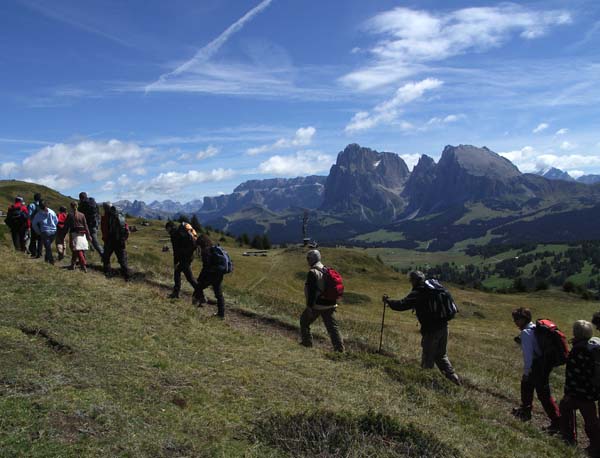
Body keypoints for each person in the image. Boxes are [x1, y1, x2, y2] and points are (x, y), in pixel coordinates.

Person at [382, 271, 459, 385]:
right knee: (441, 355)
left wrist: (388, 302)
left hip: (431, 330)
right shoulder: (433, 287)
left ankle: (425, 384)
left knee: (428, 357)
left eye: (411, 280)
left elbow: (403, 304)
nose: (410, 282)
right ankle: (454, 380)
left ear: (414, 281)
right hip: (444, 326)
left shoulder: (419, 292)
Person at [511, 307, 561, 433]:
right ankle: (525, 410)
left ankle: (557, 422)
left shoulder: (526, 333)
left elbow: (528, 356)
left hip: (537, 365)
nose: (515, 322)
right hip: (543, 362)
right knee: (527, 386)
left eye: (517, 319)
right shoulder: (535, 328)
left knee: (542, 393)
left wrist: (527, 372)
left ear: (523, 319)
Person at [559, 320, 600, 456]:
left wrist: (569, 392)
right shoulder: (593, 347)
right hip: (591, 391)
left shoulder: (578, 350)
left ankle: (569, 437)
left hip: (578, 392)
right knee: (591, 420)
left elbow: (574, 374)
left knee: (565, 408)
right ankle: (595, 444)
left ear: (576, 332)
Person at [299, 249, 345, 352]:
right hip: (330, 303)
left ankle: (307, 343)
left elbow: (311, 293)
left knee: (304, 321)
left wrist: (309, 307)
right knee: (333, 328)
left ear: (312, 259)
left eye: (308, 258)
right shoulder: (326, 270)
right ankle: (339, 350)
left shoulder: (312, 272)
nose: (307, 260)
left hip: (317, 305)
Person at [192, 234, 225, 318]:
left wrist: (200, 278)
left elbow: (206, 267)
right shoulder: (213, 248)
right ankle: (221, 315)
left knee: (198, 287)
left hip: (212, 274)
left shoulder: (205, 251)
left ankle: (195, 305)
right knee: (219, 294)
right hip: (219, 273)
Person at [165, 220, 198, 299]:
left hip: (184, 258)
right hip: (189, 256)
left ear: (169, 228)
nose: (167, 231)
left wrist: (175, 262)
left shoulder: (174, 235)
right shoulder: (180, 232)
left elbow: (176, 250)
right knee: (186, 276)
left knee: (187, 276)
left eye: (167, 229)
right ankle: (176, 293)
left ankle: (200, 294)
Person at [102, 205, 129, 280]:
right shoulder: (122, 218)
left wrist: (105, 238)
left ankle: (108, 273)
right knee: (122, 259)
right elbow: (126, 229)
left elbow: (106, 229)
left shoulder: (109, 217)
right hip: (120, 241)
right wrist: (124, 239)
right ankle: (127, 276)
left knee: (106, 257)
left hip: (111, 240)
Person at [65, 202, 90, 272]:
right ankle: (73, 264)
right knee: (79, 249)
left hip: (74, 234)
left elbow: (66, 225)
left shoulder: (70, 215)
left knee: (77, 250)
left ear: (71, 207)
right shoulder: (82, 215)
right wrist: (88, 235)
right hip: (82, 234)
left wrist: (64, 233)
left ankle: (83, 265)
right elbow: (86, 226)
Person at [31, 200, 58, 264]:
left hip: (45, 231)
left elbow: (34, 224)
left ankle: (51, 261)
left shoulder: (38, 214)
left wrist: (38, 231)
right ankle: (47, 259)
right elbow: (56, 221)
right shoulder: (52, 212)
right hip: (53, 231)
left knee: (47, 247)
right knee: (48, 246)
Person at [78, 192, 104, 257]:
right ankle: (84, 258)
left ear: (81, 197)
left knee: (90, 242)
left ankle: (104, 256)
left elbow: (80, 214)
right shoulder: (93, 202)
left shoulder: (83, 204)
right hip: (95, 224)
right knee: (93, 241)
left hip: (88, 225)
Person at [27, 193, 42, 258]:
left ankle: (34, 252)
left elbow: (29, 215)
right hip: (41, 224)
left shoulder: (31, 205)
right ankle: (40, 252)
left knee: (33, 239)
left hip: (34, 224)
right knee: (40, 239)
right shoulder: (42, 205)